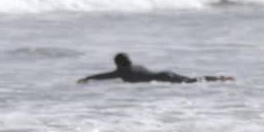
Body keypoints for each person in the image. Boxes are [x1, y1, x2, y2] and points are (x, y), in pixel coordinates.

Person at [76, 53, 234, 84]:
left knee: (192, 81)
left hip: (162, 78)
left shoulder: (122, 72)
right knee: (191, 80)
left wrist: (88, 78)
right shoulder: (135, 66)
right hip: (164, 74)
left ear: (118, 63)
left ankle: (219, 79)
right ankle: (219, 78)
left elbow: (104, 76)